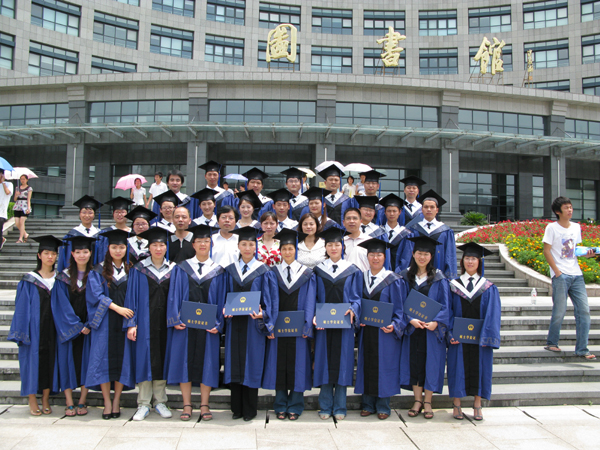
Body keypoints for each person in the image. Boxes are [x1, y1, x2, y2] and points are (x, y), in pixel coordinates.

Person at [165, 224, 227, 422]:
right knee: (184, 363)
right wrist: (174, 319)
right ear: (193, 244)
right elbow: (173, 295)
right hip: (185, 326)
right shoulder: (181, 268)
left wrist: (218, 323)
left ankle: (204, 404)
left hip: (208, 327)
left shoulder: (218, 271)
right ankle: (187, 404)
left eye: (206, 241)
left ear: (211, 244)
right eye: (199, 241)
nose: (202, 244)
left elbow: (222, 300)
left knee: (207, 364)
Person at [223, 226, 278, 421]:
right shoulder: (230, 271)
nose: (247, 248)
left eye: (251, 245)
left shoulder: (264, 271)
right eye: (244, 244)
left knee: (251, 363)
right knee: (234, 363)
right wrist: (224, 309)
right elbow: (223, 296)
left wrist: (265, 314)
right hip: (234, 324)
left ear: (256, 247)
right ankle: (236, 408)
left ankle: (249, 409)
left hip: (253, 326)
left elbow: (271, 300)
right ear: (238, 246)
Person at [122, 227, 176, 421]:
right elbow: (131, 297)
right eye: (154, 245)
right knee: (144, 360)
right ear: (149, 247)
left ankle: (160, 401)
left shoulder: (174, 269)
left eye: (161, 245)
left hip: (166, 324)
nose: (158, 248)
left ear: (166, 247)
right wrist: (131, 323)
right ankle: (144, 403)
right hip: (145, 323)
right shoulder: (138, 270)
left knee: (162, 359)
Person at [263, 228, 316, 420]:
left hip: (298, 330)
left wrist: (307, 325)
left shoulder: (307, 274)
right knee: (278, 365)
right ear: (280, 251)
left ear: (296, 250)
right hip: (278, 329)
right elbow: (268, 301)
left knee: (298, 366)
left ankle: (295, 405)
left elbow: (310, 301)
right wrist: (269, 324)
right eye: (284, 248)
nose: (287, 252)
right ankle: (280, 404)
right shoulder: (272, 273)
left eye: (290, 248)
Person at [397, 235, 450, 420]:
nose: (422, 257)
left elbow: (446, 305)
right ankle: (417, 400)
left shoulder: (439, 278)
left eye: (426, 254)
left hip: (430, 330)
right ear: (413, 254)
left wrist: (437, 322)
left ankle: (428, 402)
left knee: (430, 364)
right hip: (412, 329)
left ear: (431, 256)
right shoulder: (405, 276)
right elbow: (399, 302)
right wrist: (409, 319)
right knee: (414, 363)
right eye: (419, 253)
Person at [8, 235, 62, 416]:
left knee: (50, 362)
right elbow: (21, 308)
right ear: (39, 255)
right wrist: (22, 332)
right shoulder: (29, 280)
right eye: (46, 253)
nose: (50, 257)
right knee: (31, 363)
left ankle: (45, 398)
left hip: (53, 329)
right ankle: (32, 398)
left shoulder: (60, 279)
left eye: (53, 254)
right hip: (34, 329)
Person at [448, 242, 501, 421]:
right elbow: (448, 311)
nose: (470, 261)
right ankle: (456, 403)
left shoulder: (488, 287)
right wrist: (450, 333)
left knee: (480, 369)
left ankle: (477, 404)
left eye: (474, 258)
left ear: (479, 262)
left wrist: (487, 337)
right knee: (457, 368)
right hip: (459, 338)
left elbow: (493, 315)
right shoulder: (453, 285)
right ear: (462, 261)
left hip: (480, 339)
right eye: (467, 258)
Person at [313, 227, 362, 421]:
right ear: (325, 247)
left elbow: (357, 297)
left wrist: (354, 310)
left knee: (343, 363)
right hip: (324, 325)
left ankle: (340, 406)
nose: (334, 248)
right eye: (330, 245)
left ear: (343, 247)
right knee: (324, 362)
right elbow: (313, 297)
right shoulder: (318, 271)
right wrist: (315, 315)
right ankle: (325, 405)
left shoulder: (352, 270)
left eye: (337, 244)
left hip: (344, 325)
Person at [85, 229, 135, 420]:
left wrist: (130, 320)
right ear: (108, 249)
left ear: (126, 249)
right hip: (105, 322)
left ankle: (116, 401)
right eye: (114, 247)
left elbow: (136, 296)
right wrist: (117, 308)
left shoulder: (132, 270)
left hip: (125, 323)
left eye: (121, 247)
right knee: (103, 361)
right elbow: (95, 296)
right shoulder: (98, 271)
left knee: (123, 361)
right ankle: (107, 402)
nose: (118, 250)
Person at [355, 239, 406, 420]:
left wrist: (395, 324)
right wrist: (358, 319)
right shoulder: (361, 278)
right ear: (367, 257)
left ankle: (383, 406)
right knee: (367, 364)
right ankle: (367, 404)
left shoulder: (393, 280)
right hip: (367, 331)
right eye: (372, 254)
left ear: (385, 257)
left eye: (379, 255)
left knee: (385, 366)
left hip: (385, 333)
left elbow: (400, 309)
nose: (375, 258)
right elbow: (357, 302)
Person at [543, 196, 596, 360]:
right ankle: (552, 342)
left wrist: (587, 254)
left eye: (571, 207)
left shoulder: (576, 227)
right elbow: (546, 251)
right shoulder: (552, 228)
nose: (570, 210)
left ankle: (582, 349)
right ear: (558, 211)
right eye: (566, 208)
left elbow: (571, 251)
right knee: (560, 310)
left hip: (576, 274)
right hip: (561, 275)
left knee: (584, 311)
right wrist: (557, 272)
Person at [52, 235, 96, 417]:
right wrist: (77, 326)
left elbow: (99, 301)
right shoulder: (62, 277)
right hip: (68, 329)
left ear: (90, 253)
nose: (82, 255)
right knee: (66, 362)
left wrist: (90, 324)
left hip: (89, 328)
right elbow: (60, 304)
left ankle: (83, 400)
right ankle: (69, 402)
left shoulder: (95, 275)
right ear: (72, 254)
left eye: (85, 251)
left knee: (87, 363)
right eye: (78, 252)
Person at [397, 190, 457, 279]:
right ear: (422, 209)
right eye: (426, 207)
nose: (429, 209)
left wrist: (449, 278)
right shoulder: (413, 230)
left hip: (438, 277)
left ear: (437, 210)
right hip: (416, 277)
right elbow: (407, 254)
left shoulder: (446, 231)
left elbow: (450, 257)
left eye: (432, 207)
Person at [57, 195, 102, 272]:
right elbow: (66, 257)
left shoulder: (99, 235)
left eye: (90, 213)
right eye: (84, 212)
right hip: (75, 273)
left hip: (95, 274)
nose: (87, 215)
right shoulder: (71, 235)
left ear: (94, 215)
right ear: (79, 214)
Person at [379, 194, 412, 272]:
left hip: (399, 275)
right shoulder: (379, 232)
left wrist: (398, 274)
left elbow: (406, 258)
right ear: (385, 212)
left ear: (400, 212)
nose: (392, 214)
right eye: (389, 211)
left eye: (394, 211)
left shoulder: (406, 234)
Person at [95, 197, 134, 262]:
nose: (119, 214)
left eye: (122, 212)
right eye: (116, 212)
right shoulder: (105, 233)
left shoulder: (133, 233)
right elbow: (101, 254)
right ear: (113, 214)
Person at [342, 208, 370, 272]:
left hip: (364, 277)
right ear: (343, 222)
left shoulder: (369, 241)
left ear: (360, 222)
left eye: (355, 218)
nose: (351, 221)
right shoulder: (339, 242)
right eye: (348, 218)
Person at [13, 174, 32, 243]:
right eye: (21, 179)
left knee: (21, 222)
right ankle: (25, 234)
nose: (22, 180)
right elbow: (15, 199)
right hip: (18, 205)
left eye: (24, 179)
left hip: (24, 206)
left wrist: (28, 208)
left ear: (27, 180)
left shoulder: (29, 188)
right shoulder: (17, 188)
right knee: (17, 222)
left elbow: (28, 199)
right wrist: (16, 195)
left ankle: (20, 238)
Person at [0, 168, 13, 250]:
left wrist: (3, 182)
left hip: (1, 213)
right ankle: (2, 239)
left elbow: (8, 192)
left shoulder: (9, 184)